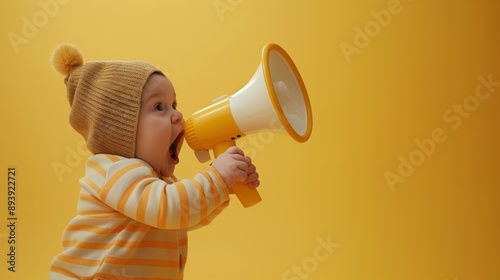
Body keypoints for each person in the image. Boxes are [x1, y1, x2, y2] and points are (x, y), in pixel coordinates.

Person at [49, 43, 260, 280]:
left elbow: (184, 217)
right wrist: (217, 178)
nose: (178, 115)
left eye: (174, 105)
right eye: (159, 106)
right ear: (121, 130)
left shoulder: (158, 183)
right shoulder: (114, 171)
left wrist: (224, 188)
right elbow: (173, 209)